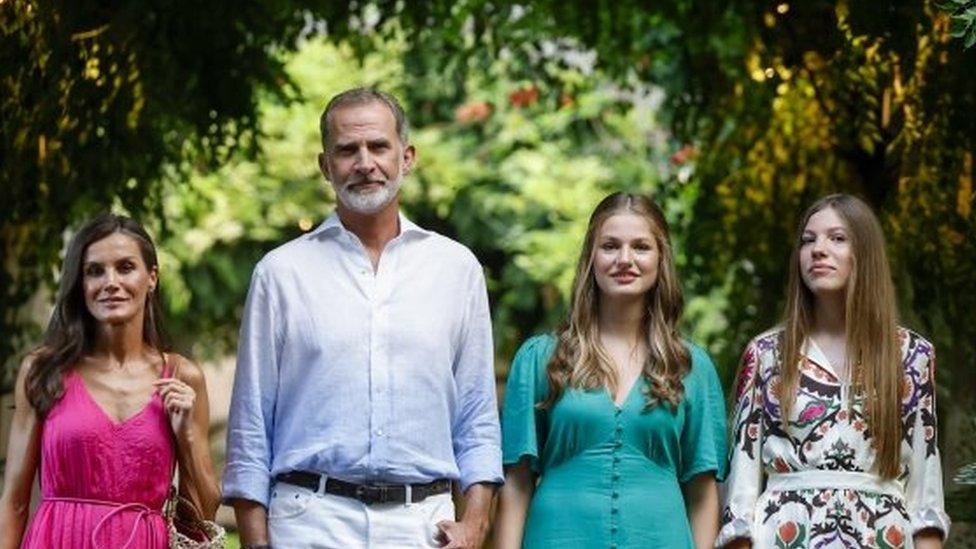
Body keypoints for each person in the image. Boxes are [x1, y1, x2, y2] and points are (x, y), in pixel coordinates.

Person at [222, 87, 502, 549]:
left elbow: (476, 415)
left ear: (406, 157)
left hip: (423, 527)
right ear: (325, 166)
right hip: (309, 522)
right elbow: (251, 424)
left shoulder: (456, 270)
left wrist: (475, 524)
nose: (365, 162)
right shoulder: (280, 273)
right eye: (347, 150)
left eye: (378, 146)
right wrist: (255, 542)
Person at [494, 192, 728, 549]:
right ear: (591, 257)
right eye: (610, 246)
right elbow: (517, 483)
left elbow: (703, 493)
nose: (625, 259)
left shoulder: (691, 367)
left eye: (641, 247)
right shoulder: (540, 358)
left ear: (660, 258)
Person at [718, 194, 951, 548]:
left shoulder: (913, 357)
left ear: (866, 254)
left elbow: (926, 500)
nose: (818, 250)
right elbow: (739, 499)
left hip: (882, 537)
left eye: (837, 238)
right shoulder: (765, 355)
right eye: (808, 240)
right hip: (784, 535)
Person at [0, 213, 220, 549]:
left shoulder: (182, 377)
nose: (110, 281)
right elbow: (14, 502)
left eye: (126, 267)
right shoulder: (43, 371)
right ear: (80, 284)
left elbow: (204, 517)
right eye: (95, 271)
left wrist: (187, 435)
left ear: (152, 278)